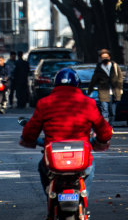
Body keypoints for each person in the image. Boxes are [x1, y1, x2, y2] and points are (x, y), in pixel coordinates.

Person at [19, 67, 113, 199]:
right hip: (81, 156)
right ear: (77, 84)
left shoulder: (44, 103)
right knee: (89, 167)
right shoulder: (88, 103)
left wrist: (27, 138)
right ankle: (83, 199)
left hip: (53, 158)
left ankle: (50, 197)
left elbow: (30, 131)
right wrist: (102, 140)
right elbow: (104, 130)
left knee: (42, 167)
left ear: (55, 84)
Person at [87, 49, 123, 125]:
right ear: (100, 58)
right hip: (103, 92)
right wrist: (90, 90)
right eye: (103, 57)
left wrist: (120, 89)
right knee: (104, 111)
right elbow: (94, 79)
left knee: (112, 112)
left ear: (109, 57)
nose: (105, 59)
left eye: (106, 57)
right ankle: (106, 127)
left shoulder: (115, 66)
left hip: (114, 93)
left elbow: (120, 78)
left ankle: (111, 126)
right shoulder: (99, 67)